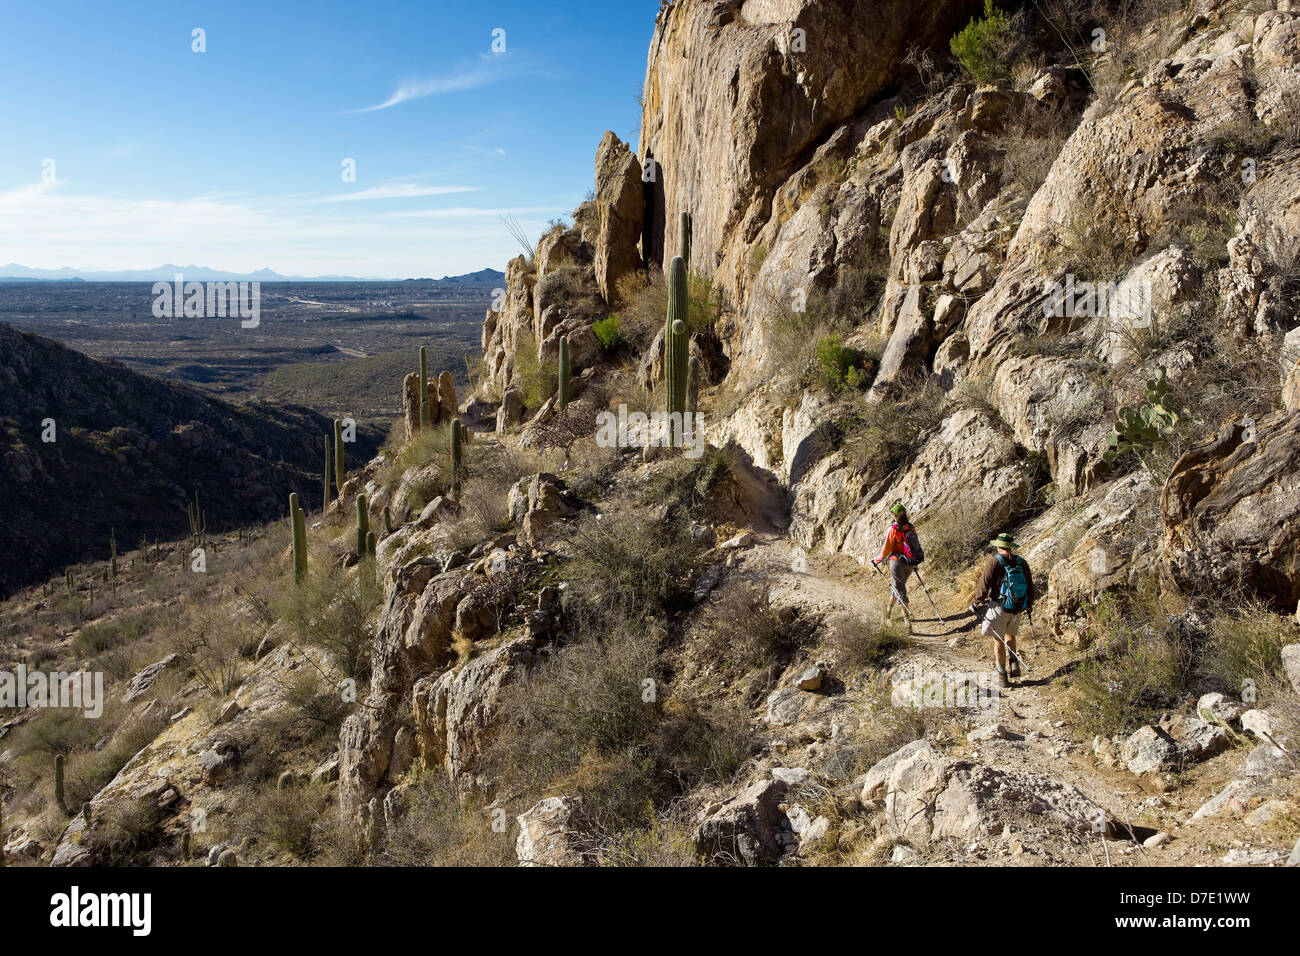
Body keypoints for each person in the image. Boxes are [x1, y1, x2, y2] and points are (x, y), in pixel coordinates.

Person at [973, 532, 1036, 687]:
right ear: (1011, 547)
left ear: (999, 546)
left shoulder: (994, 561)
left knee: (998, 640)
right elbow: (1029, 584)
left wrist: (976, 602)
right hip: (1017, 607)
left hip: (999, 606)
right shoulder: (1021, 562)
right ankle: (1014, 662)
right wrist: (1028, 603)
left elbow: (984, 583)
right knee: (1010, 635)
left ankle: (1002, 676)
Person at [872, 504, 924, 630]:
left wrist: (877, 560)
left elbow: (886, 548)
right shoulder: (911, 527)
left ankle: (907, 623)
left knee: (900, 590)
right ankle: (887, 615)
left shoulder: (893, 529)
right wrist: (915, 563)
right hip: (910, 563)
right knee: (897, 587)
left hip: (896, 562)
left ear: (895, 515)